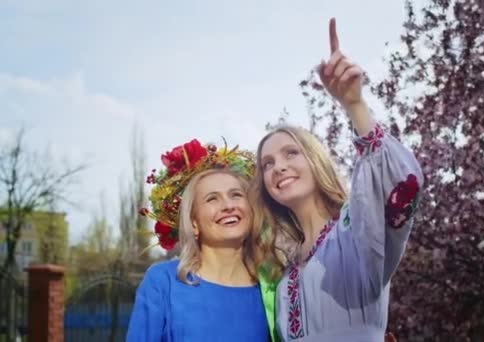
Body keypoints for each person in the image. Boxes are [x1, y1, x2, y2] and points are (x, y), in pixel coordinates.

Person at [250, 18, 424, 341]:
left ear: (316, 161)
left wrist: (353, 104)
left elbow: (399, 183)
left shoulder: (356, 229)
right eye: (267, 163)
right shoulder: (282, 268)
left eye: (291, 153)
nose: (278, 167)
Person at [127, 138, 277, 341]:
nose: (228, 205)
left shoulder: (271, 288)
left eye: (236, 195)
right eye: (212, 198)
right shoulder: (163, 282)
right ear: (194, 223)